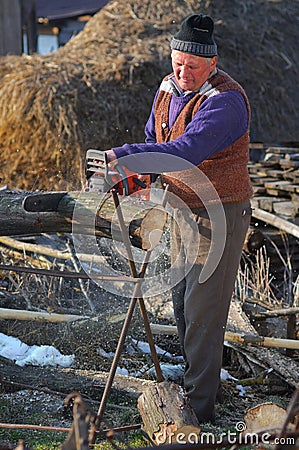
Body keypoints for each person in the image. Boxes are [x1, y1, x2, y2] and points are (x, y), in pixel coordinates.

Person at [105, 13, 253, 424]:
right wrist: (138, 178)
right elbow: (157, 139)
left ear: (212, 64)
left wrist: (125, 155)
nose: (182, 72)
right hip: (183, 208)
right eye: (177, 63)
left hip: (220, 212)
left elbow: (185, 150)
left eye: (191, 65)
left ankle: (199, 412)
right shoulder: (168, 90)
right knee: (182, 306)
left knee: (203, 312)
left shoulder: (226, 101)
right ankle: (200, 387)